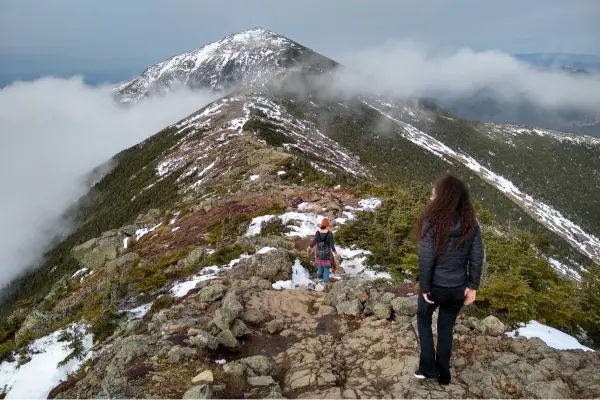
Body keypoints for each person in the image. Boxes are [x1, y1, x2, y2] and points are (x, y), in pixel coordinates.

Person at [413, 173, 483, 385]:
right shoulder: (471, 224)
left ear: (442, 196)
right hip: (457, 288)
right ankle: (444, 375)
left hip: (434, 287)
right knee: (445, 327)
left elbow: (426, 258)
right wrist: (472, 286)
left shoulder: (431, 222)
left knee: (424, 320)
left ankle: (427, 367)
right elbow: (477, 257)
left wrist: (424, 287)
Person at [307, 218, 339, 283]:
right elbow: (332, 245)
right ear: (327, 226)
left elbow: (313, 242)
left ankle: (319, 281)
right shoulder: (330, 234)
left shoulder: (317, 233)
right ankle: (325, 283)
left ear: (322, 225)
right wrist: (335, 253)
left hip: (319, 254)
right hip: (326, 254)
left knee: (320, 267)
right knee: (326, 269)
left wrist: (309, 247)